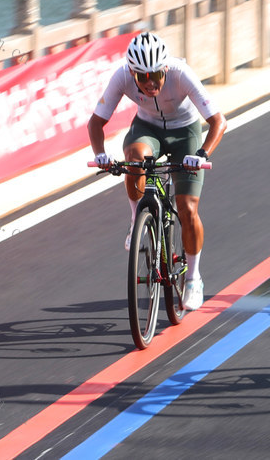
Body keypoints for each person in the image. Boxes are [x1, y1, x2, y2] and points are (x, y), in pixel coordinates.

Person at [88, 31, 227, 312]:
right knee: (134, 159)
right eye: (142, 77)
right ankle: (136, 218)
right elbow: (95, 123)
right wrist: (100, 154)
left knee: (188, 208)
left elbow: (218, 121)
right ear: (132, 72)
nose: (150, 83)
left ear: (165, 68)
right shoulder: (122, 76)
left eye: (155, 75)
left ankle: (193, 278)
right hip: (147, 128)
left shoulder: (180, 73)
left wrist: (201, 155)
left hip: (185, 132)